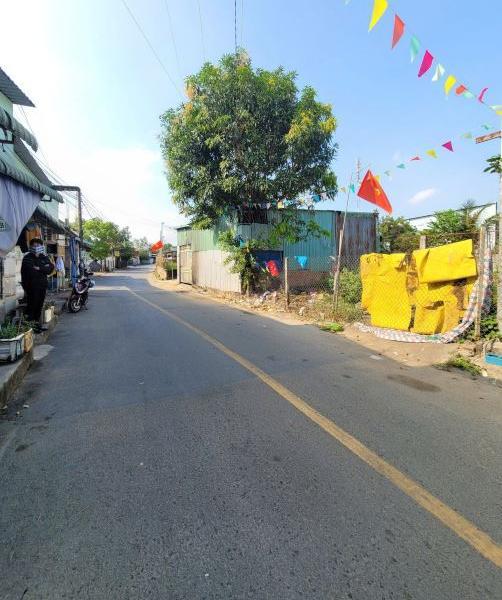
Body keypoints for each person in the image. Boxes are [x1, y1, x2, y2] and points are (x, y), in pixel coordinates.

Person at [21, 238, 54, 332]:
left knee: (39, 306)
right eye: (34, 246)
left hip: (42, 286)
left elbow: (50, 269)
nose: (36, 247)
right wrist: (43, 268)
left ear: (41, 247)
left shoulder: (44, 257)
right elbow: (31, 271)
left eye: (38, 245)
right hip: (31, 286)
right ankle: (28, 327)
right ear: (31, 247)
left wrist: (39, 268)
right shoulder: (27, 258)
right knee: (32, 306)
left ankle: (36, 325)